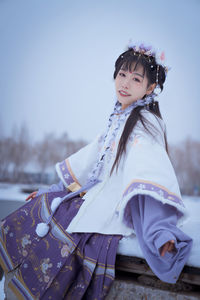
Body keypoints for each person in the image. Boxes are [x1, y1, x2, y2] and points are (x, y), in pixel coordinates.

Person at [0, 42, 193, 299]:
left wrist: (159, 230)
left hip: (110, 205)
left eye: (136, 79)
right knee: (42, 208)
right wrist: (55, 190)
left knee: (70, 235)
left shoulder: (146, 122)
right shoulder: (119, 117)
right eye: (122, 74)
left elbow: (149, 169)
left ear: (150, 88)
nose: (125, 83)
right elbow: (90, 161)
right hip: (93, 196)